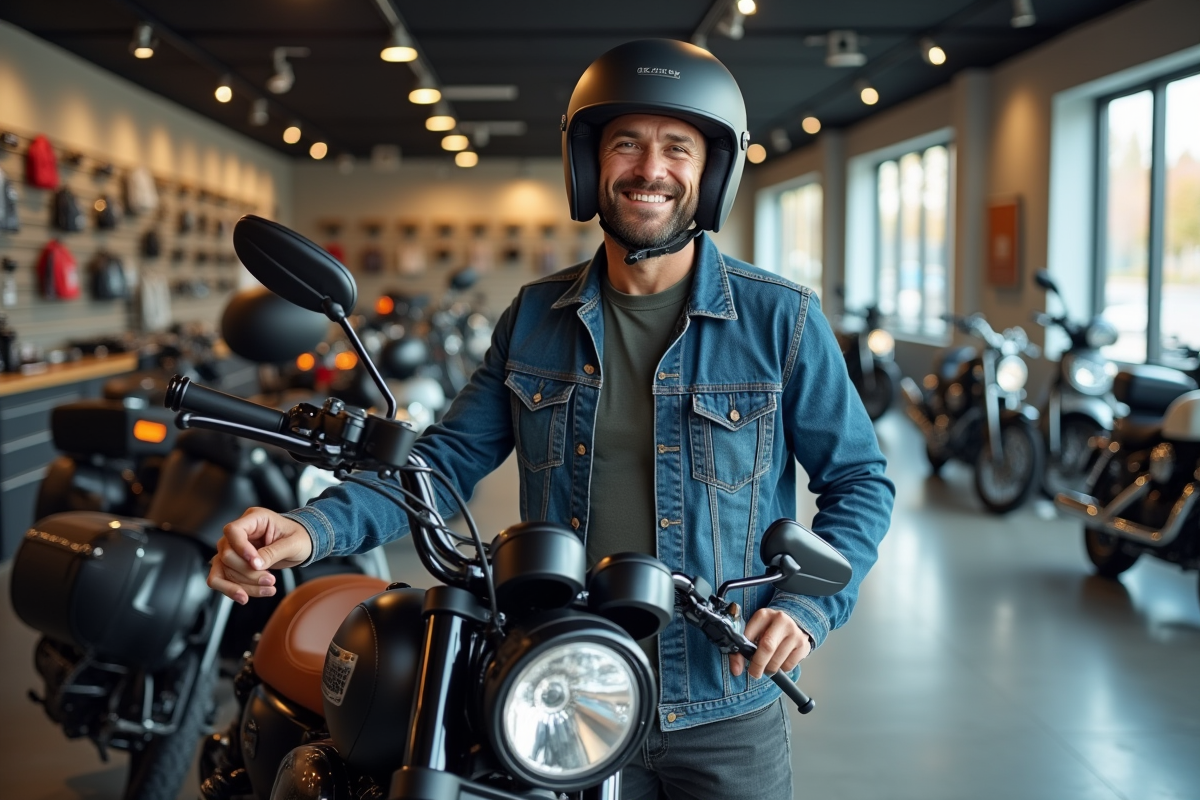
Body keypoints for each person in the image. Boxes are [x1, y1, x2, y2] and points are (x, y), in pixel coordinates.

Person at [208, 38, 894, 800]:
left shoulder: (781, 320)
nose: (650, 169)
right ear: (588, 164)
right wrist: (309, 530)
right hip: (562, 690)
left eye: (678, 147)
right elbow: (439, 466)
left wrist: (805, 606)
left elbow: (860, 481)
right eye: (626, 143)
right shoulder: (534, 317)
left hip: (725, 702)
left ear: (710, 173)